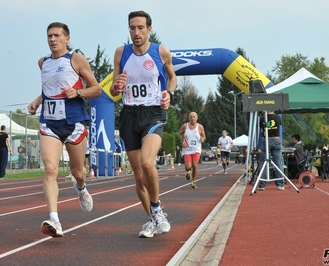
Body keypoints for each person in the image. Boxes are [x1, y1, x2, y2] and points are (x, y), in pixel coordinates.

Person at [27, 22, 101, 237]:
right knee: (50, 168)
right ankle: (54, 219)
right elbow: (49, 89)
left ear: (67, 39)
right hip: (50, 122)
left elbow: (96, 90)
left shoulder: (76, 59)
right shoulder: (43, 62)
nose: (52, 39)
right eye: (49, 35)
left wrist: (77, 93)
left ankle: (80, 187)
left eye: (57, 35)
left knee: (78, 172)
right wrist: (38, 100)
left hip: (74, 122)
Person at [109, 10, 177, 238]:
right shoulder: (121, 53)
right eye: (132, 28)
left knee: (148, 163)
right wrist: (117, 86)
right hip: (129, 115)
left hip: (153, 113)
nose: (135, 32)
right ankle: (151, 220)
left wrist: (169, 93)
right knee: (138, 174)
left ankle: (157, 210)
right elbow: (112, 90)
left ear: (149, 29)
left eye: (140, 28)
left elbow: (172, 77)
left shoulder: (161, 52)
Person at [178, 112, 206, 189]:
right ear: (189, 118)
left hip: (196, 149)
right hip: (187, 149)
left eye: (194, 117)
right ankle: (188, 172)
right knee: (188, 166)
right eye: (191, 117)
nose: (192, 118)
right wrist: (182, 142)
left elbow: (204, 136)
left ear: (197, 118)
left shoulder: (200, 127)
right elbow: (179, 134)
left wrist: (202, 139)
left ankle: (193, 181)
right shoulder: (185, 126)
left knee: (195, 164)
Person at [258, 110, 285, 191]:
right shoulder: (278, 117)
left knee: (264, 163)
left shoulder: (262, 118)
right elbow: (279, 124)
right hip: (276, 139)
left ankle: (262, 184)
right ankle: (279, 184)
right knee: (278, 163)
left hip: (266, 140)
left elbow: (262, 128)